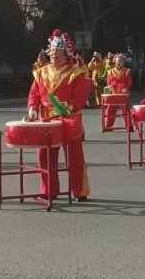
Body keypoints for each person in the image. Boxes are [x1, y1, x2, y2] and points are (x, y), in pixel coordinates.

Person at [27, 29, 91, 201]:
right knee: (45, 155)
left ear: (66, 53)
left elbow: (80, 96)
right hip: (47, 118)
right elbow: (34, 93)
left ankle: (80, 191)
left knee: (74, 156)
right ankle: (50, 189)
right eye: (52, 50)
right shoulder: (41, 71)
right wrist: (32, 106)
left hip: (68, 117)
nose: (54, 54)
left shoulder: (75, 72)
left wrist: (69, 108)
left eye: (58, 51)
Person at [104, 52, 132, 130]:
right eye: (117, 61)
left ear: (123, 62)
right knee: (110, 108)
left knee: (125, 109)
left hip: (123, 93)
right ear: (115, 62)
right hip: (113, 93)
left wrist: (126, 88)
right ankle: (108, 125)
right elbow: (108, 82)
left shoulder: (127, 71)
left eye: (120, 61)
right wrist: (109, 88)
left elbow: (129, 82)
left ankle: (129, 125)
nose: (118, 62)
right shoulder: (110, 71)